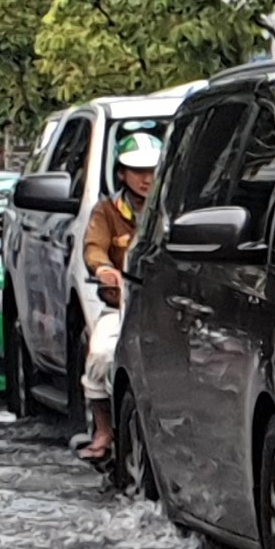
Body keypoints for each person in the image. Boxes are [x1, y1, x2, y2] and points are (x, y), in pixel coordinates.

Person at [76, 134, 160, 464]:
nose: (146, 178)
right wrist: (104, 269)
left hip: (164, 310)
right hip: (121, 308)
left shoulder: (170, 210)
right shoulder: (107, 211)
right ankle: (103, 431)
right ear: (121, 173)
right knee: (98, 355)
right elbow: (93, 247)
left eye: (152, 169)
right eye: (137, 170)